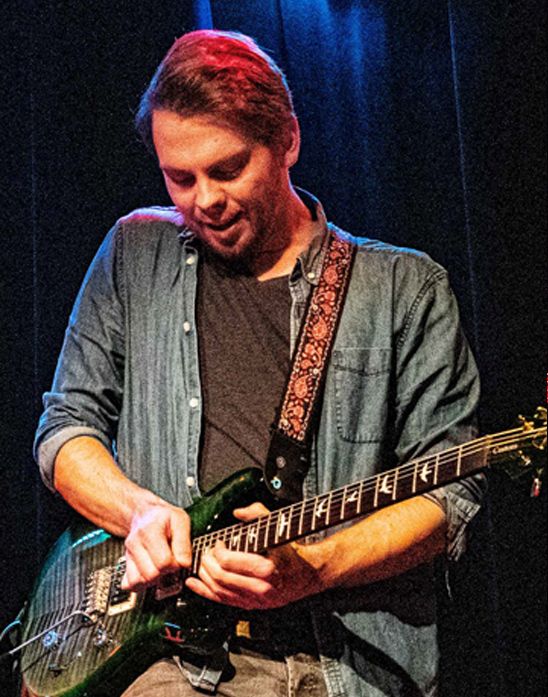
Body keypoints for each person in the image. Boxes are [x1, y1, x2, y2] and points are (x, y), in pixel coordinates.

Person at [34, 30, 484, 697]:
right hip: (167, 658)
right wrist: (138, 513)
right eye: (179, 178)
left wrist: (318, 566)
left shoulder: (405, 290)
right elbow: (66, 429)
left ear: (288, 140)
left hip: (340, 662)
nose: (204, 200)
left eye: (227, 169)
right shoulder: (133, 252)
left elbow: (450, 493)